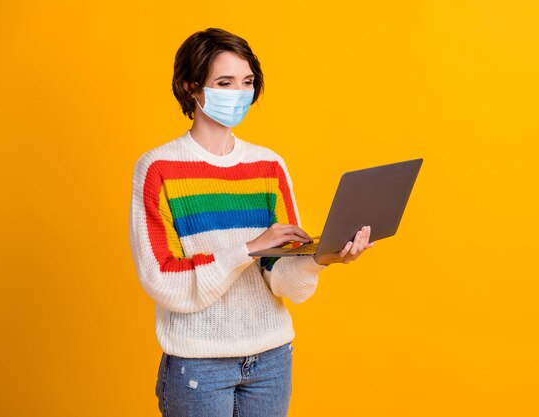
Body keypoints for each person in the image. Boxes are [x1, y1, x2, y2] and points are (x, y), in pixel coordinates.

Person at [128, 28, 374, 417]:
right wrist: (247, 249)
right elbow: (164, 282)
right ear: (192, 87)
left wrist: (321, 259)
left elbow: (281, 277)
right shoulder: (158, 169)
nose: (239, 93)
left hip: (272, 360)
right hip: (199, 366)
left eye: (247, 82)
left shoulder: (268, 165)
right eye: (224, 82)